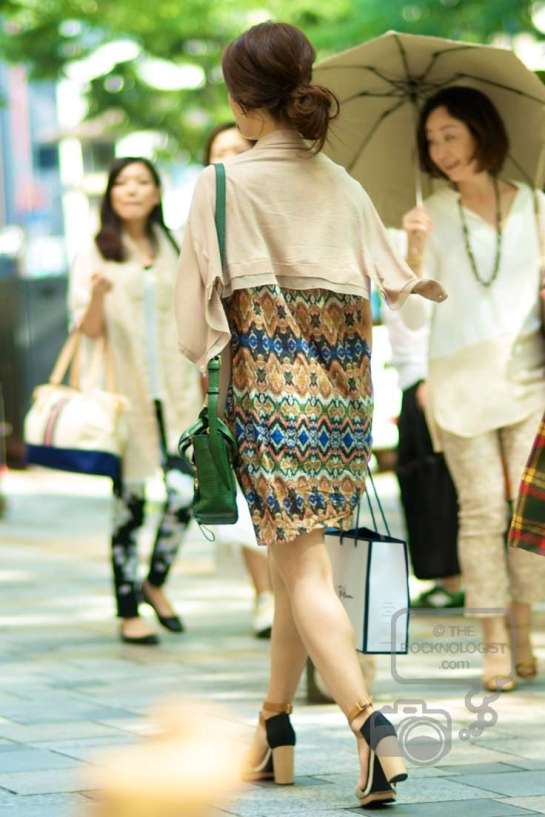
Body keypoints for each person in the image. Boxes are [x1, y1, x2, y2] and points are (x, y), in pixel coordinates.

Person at [174, 22, 444, 807]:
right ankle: (273, 727)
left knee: (298, 566)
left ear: (239, 100)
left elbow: (193, 326)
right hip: (345, 400)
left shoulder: (222, 184)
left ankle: (369, 724)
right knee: (304, 558)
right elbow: (392, 290)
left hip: (269, 396)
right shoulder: (345, 184)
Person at [400, 86, 545, 691]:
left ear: (480, 131)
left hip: (529, 377)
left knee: (526, 509)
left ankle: (523, 630)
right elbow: (408, 318)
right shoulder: (428, 213)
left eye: (450, 135)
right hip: (459, 385)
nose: (440, 150)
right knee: (482, 508)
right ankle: (491, 642)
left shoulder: (537, 205)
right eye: (432, 141)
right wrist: (411, 254)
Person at [69, 157, 202, 646]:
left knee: (187, 494)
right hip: (124, 393)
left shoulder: (172, 244)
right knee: (130, 503)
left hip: (175, 389)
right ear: (110, 193)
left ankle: (156, 581)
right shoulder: (96, 251)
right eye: (122, 182)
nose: (132, 189)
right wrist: (99, 295)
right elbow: (87, 329)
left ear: (156, 192)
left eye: (142, 181)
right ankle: (128, 608)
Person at [205, 122, 274, 639]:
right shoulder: (204, 217)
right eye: (219, 153)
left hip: (277, 371)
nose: (229, 159)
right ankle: (264, 594)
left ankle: (283, 593)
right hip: (225, 369)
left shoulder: (273, 210)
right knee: (241, 486)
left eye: (237, 149)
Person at [381, 281, 462, 610]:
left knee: (440, 484)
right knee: (425, 483)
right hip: (418, 379)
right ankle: (449, 579)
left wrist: (430, 374)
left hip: (433, 380)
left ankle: (456, 579)